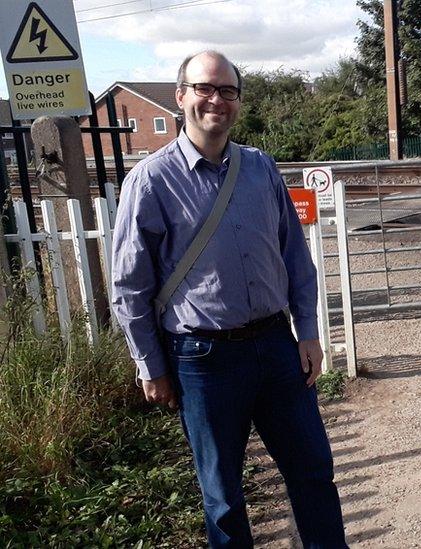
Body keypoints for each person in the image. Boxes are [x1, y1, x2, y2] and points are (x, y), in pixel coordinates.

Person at [111, 51, 346, 548]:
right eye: (204, 88)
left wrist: (307, 332)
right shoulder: (150, 181)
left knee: (313, 472)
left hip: (277, 348)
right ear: (180, 97)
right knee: (223, 497)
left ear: (238, 100)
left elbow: (294, 257)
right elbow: (130, 285)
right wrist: (150, 365)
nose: (216, 99)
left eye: (227, 91)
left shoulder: (261, 168)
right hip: (202, 360)